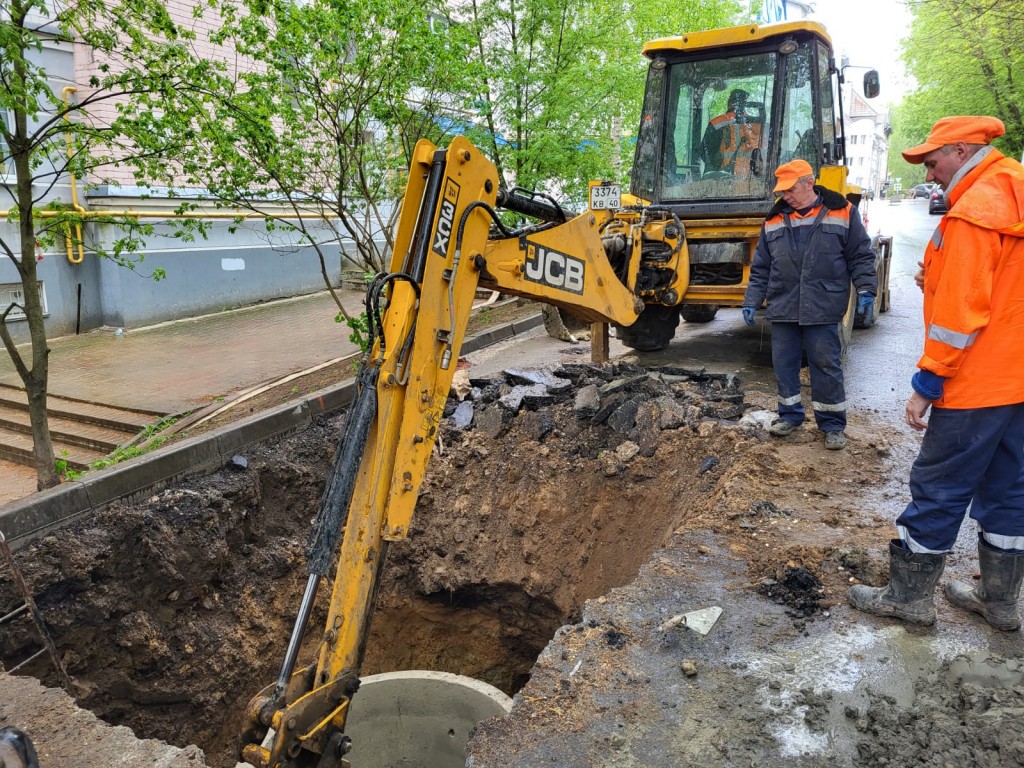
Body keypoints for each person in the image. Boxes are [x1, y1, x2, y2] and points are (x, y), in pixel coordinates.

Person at [848, 115, 1024, 629]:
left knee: (940, 486)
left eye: (933, 159)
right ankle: (1000, 602)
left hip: (978, 383)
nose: (929, 171)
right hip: (1018, 379)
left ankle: (908, 597)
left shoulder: (975, 212)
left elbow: (959, 319)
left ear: (963, 150)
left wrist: (927, 384)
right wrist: (941, 276)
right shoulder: (1013, 194)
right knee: (1012, 488)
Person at [741, 159, 877, 451]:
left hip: (823, 305)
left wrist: (866, 287)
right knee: (784, 364)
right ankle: (790, 415)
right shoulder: (774, 219)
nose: (784, 196)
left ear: (808, 182)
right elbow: (761, 266)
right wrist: (752, 299)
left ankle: (832, 425)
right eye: (782, 191)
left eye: (790, 189)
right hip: (784, 305)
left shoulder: (842, 212)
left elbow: (861, 255)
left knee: (825, 365)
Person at [700, 89, 762, 176]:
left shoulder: (717, 123)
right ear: (744, 104)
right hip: (750, 178)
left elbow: (705, 153)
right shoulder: (757, 125)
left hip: (726, 179)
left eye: (729, 99)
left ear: (731, 102)